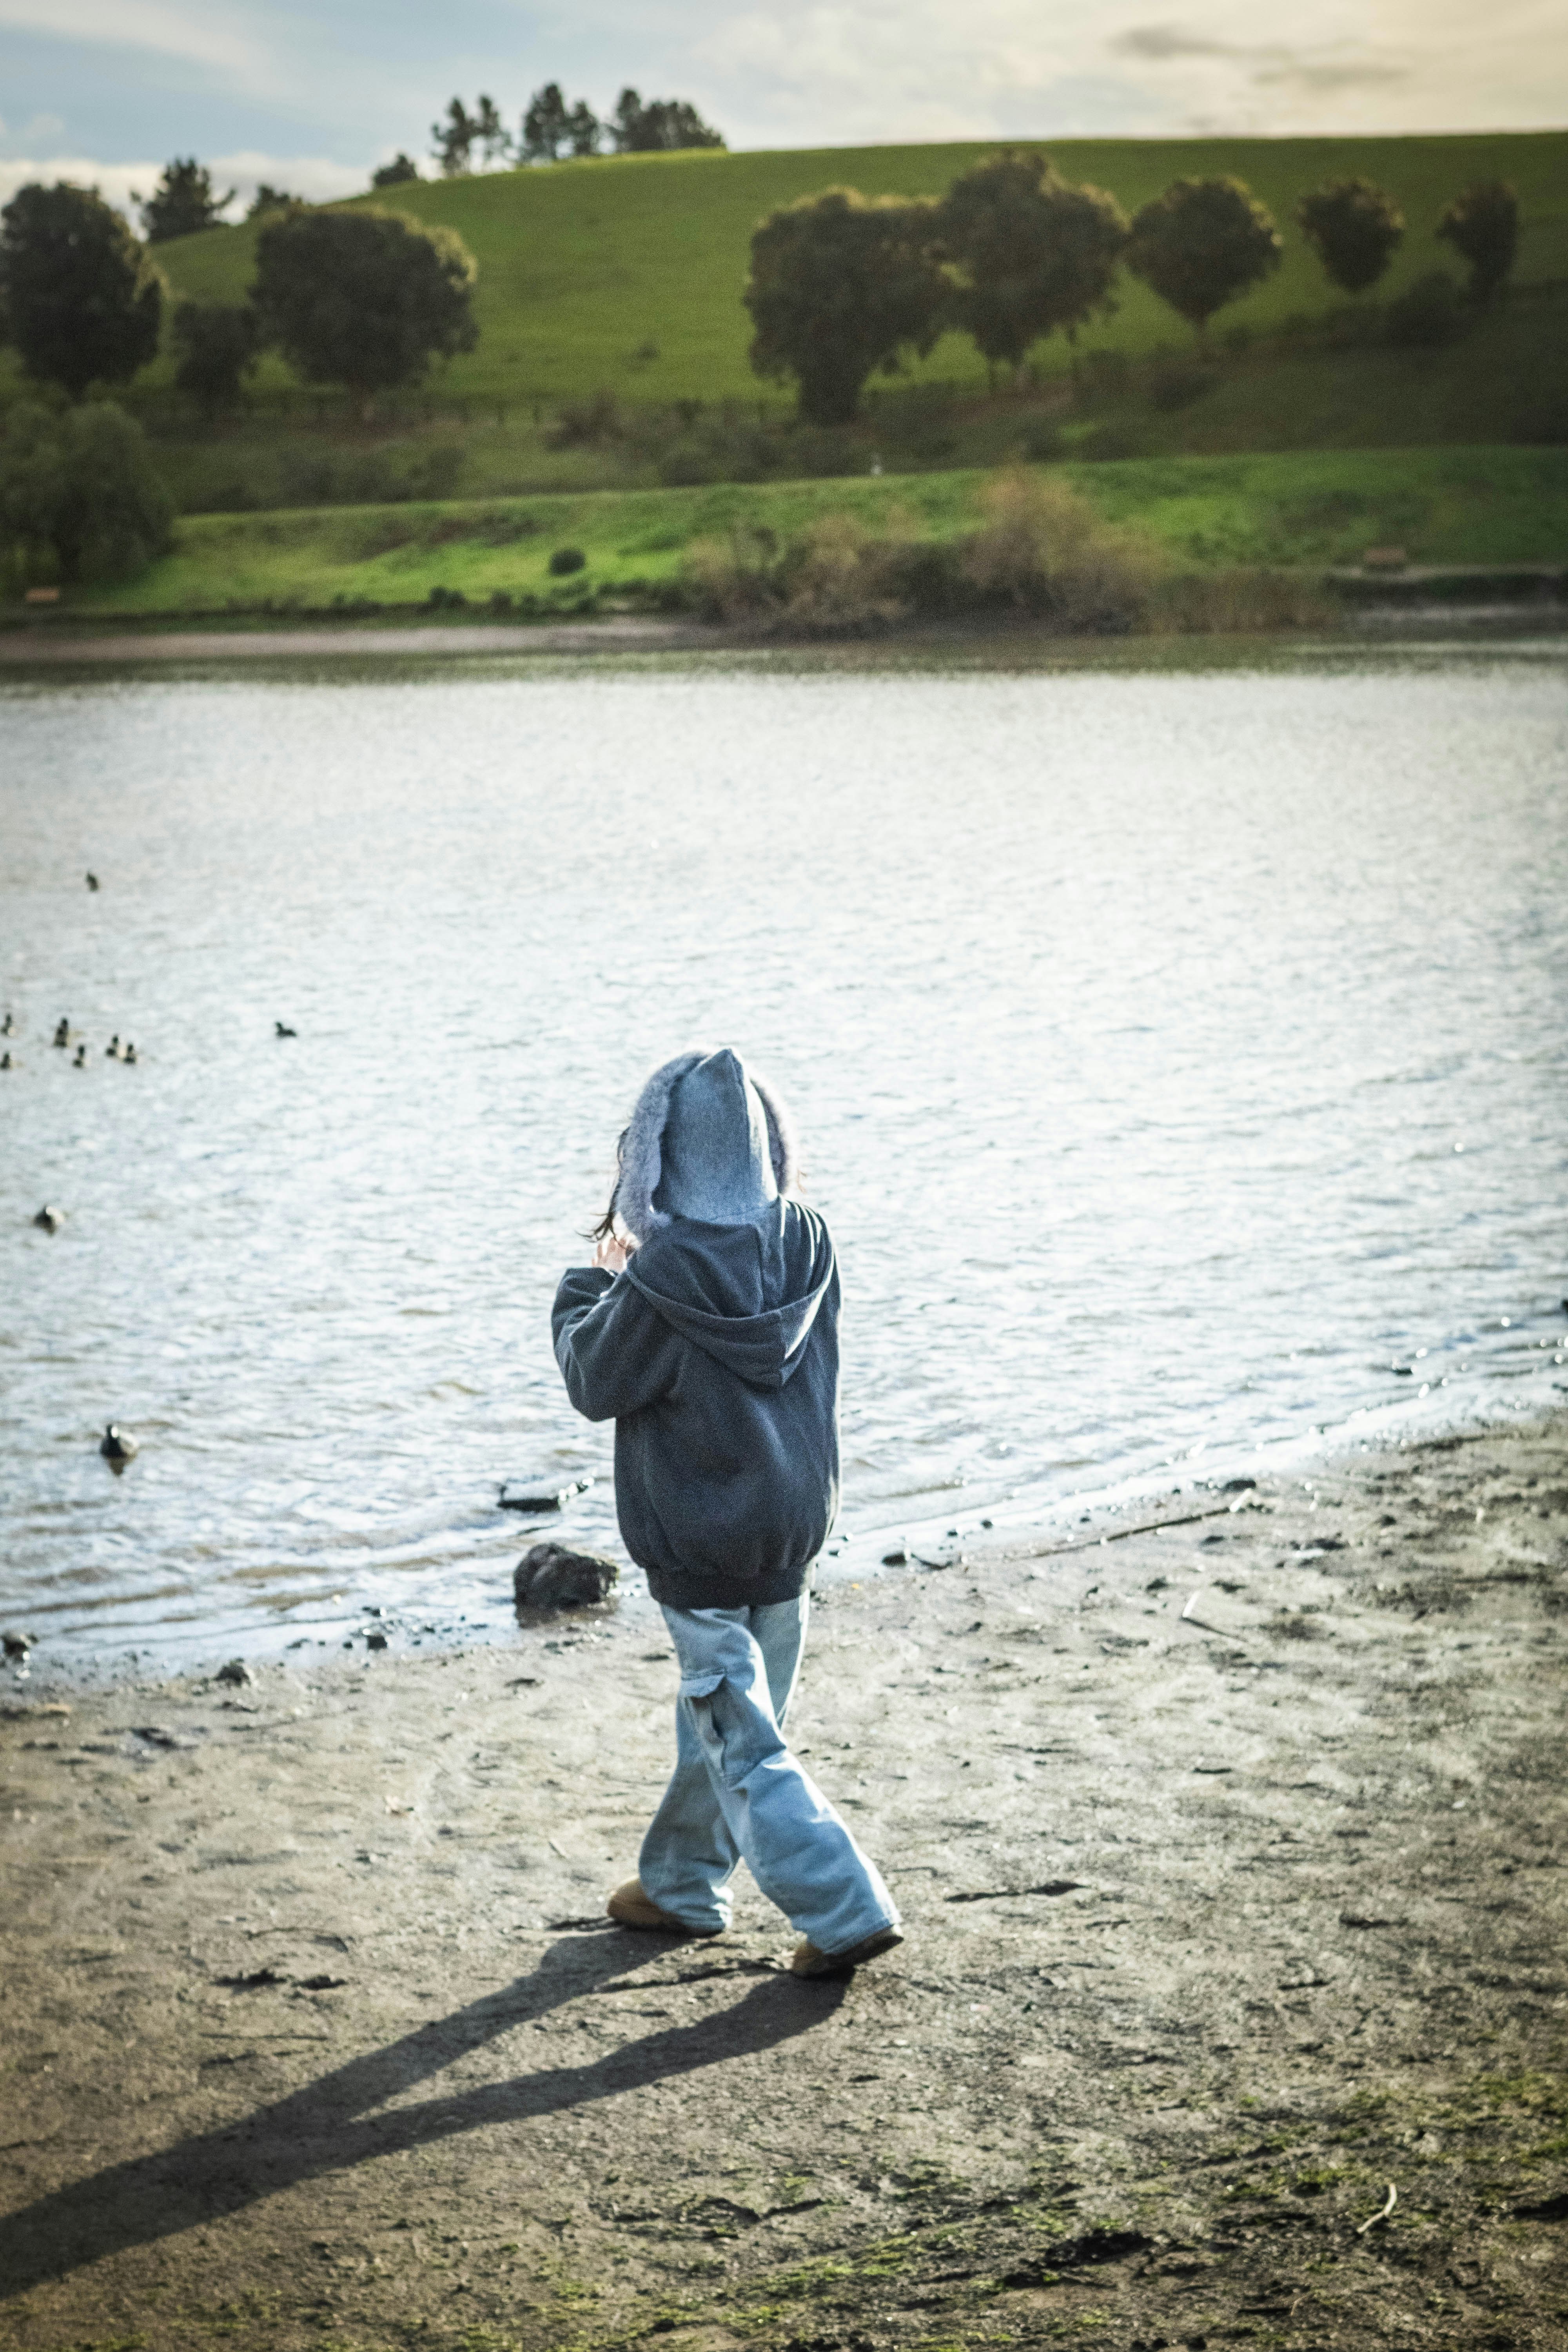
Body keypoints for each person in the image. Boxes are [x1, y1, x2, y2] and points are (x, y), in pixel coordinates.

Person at [551, 1047, 902, 1977]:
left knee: (741, 1737)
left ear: (656, 1160)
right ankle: (681, 1884)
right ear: (767, 1145)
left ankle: (844, 1908)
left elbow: (595, 1380)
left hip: (701, 1539)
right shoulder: (810, 1239)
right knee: (730, 1718)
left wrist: (594, 1284)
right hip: (791, 1523)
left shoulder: (660, 1278)